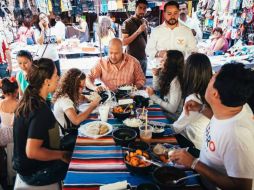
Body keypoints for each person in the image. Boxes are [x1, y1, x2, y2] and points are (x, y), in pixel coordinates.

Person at [170, 63, 254, 190]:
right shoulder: (236, 105)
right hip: (202, 173)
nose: (209, 77)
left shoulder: (237, 137)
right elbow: (221, 120)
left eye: (212, 78)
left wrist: (193, 163)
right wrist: (201, 108)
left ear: (215, 94)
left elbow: (242, 187)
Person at [13, 58, 70, 186]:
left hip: (24, 166)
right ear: (46, 81)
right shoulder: (40, 109)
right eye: (55, 75)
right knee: (80, 166)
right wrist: (61, 155)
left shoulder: (30, 97)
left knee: (74, 140)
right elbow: (32, 151)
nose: (58, 77)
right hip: (33, 172)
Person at [172, 53, 212, 157]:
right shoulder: (209, 92)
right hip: (204, 142)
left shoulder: (194, 98)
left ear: (189, 72)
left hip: (193, 144)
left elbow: (176, 128)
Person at [146, 50, 184, 121]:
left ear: (171, 63)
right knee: (144, 111)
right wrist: (156, 75)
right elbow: (156, 88)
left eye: (164, 60)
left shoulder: (176, 82)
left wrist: (153, 96)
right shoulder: (168, 74)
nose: (161, 61)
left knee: (145, 116)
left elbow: (172, 109)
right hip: (165, 110)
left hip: (173, 117)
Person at [122, 0, 148, 75]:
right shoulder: (127, 23)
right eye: (140, 8)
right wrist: (138, 31)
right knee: (131, 83)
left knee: (142, 82)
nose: (142, 11)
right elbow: (124, 42)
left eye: (144, 8)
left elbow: (146, 38)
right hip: (131, 58)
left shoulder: (145, 22)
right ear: (135, 8)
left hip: (144, 57)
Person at [0, 77, 18, 146]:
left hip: (2, 134)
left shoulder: (0, 103)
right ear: (16, 91)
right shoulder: (19, 104)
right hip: (15, 134)